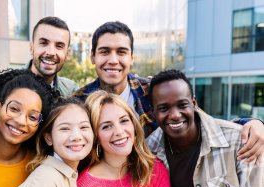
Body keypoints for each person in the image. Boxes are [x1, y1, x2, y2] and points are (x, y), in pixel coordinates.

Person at [72, 21, 264, 164]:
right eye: (105, 52)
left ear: (131, 58)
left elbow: (201, 122)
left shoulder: (151, 90)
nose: (113, 60)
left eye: (121, 52)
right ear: (93, 57)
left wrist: (251, 123)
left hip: (155, 180)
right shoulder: (80, 103)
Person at [146, 69, 264, 187]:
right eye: (164, 108)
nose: (175, 115)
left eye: (182, 105)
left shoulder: (238, 142)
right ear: (153, 114)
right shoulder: (149, 152)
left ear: (194, 103)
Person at [26, 16, 78, 97]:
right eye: (43, 43)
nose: (51, 52)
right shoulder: (5, 84)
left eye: (59, 46)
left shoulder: (71, 92)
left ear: (67, 54)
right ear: (31, 48)